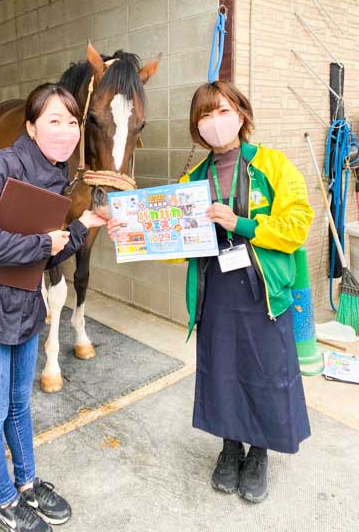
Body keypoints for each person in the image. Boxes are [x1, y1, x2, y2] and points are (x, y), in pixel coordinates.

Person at [108, 80, 314, 503]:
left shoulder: (272, 165)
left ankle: (258, 452)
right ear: (196, 127)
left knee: (264, 372)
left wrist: (242, 224)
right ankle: (229, 447)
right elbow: (173, 245)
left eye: (222, 111)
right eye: (205, 115)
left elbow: (298, 225)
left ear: (241, 114)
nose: (214, 122)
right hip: (215, 290)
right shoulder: (193, 178)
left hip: (264, 294)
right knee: (221, 370)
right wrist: (130, 231)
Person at [0, 83, 106, 532]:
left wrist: (81, 226)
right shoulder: (2, 165)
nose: (65, 130)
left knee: (20, 408)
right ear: (31, 127)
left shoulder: (57, 176)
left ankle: (28, 484)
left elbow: (41, 257)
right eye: (53, 121)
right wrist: (44, 240)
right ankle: (6, 503)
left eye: (72, 122)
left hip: (23, 313)